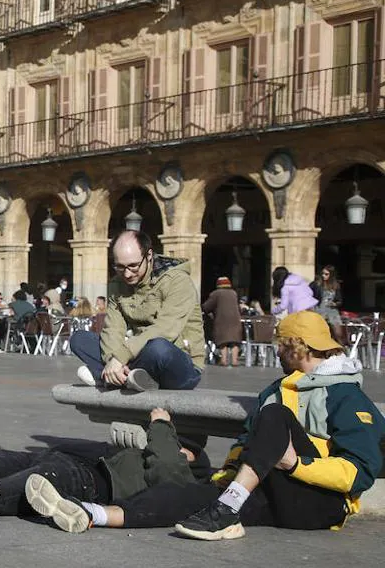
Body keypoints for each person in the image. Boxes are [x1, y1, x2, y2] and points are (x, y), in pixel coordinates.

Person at [31, 311, 384, 541]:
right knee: (188, 498)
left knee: (276, 417)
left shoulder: (346, 396)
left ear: (298, 347)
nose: (276, 353)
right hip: (269, 491)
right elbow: (247, 444)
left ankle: (228, 505)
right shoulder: (274, 390)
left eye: (281, 346)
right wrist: (226, 475)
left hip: (321, 504)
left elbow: (360, 473)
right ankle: (92, 514)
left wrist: (296, 463)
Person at [0, 407, 209, 524]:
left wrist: (163, 426)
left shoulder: (187, 475)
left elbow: (167, 473)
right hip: (60, 458)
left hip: (84, 480)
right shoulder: (163, 454)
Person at [70, 230, 204, 392]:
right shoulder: (117, 285)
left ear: (149, 256)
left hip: (178, 363)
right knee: (80, 339)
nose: (126, 274)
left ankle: (104, 376)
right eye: (120, 267)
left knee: (158, 347)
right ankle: (127, 377)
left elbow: (165, 329)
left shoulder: (178, 281)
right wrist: (113, 360)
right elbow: (112, 329)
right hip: (137, 358)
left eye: (133, 266)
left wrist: (120, 357)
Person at [201, 276, 242, 367]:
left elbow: (207, 306)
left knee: (223, 340)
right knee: (234, 341)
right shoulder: (233, 293)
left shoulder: (216, 293)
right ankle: (235, 361)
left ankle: (224, 360)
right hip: (235, 320)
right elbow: (238, 307)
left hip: (222, 320)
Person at [310, 264, 344, 343]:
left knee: (338, 332)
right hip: (319, 309)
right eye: (323, 273)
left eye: (326, 274)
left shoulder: (335, 285)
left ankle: (340, 348)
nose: (323, 276)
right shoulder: (317, 284)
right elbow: (308, 294)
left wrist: (335, 304)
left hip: (331, 310)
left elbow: (339, 300)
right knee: (318, 332)